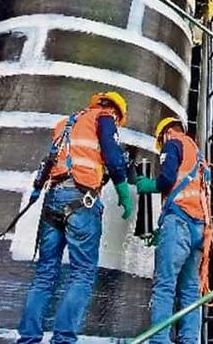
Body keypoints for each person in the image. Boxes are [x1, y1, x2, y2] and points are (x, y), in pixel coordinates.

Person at [17, 91, 134, 344]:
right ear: (116, 111)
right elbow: (113, 157)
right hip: (82, 201)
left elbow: (47, 164)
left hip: (53, 199)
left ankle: (28, 339)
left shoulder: (66, 124)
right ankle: (63, 340)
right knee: (82, 273)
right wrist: (124, 192)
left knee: (45, 273)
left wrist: (38, 192)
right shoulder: (105, 118)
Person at [135, 116, 212, 344]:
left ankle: (159, 341)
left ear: (166, 133)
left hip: (179, 222)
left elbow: (167, 178)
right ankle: (189, 341)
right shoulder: (199, 156)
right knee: (190, 291)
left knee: (165, 285)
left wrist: (150, 185)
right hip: (200, 229)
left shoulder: (173, 143)